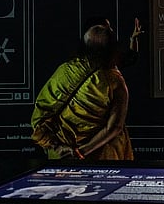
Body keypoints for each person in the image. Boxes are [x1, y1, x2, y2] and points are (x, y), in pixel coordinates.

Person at [31, 18, 143, 160]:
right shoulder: (114, 81)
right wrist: (81, 152)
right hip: (101, 158)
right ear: (112, 48)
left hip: (63, 156)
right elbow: (114, 127)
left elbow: (40, 115)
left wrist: (57, 147)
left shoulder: (66, 70)